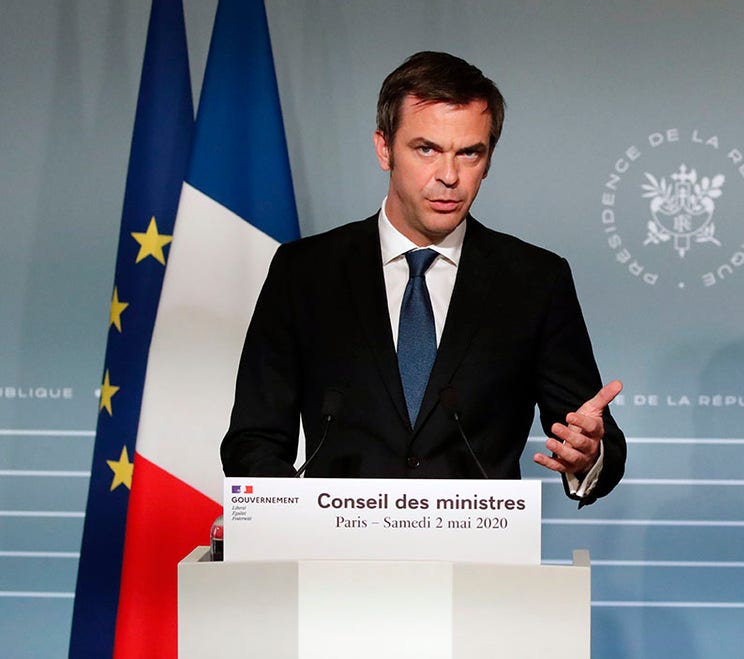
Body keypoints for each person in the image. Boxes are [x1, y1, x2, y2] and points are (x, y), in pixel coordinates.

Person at [221, 51, 625, 506]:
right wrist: (297, 518)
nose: (449, 176)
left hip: (478, 563)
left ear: (488, 160)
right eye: (426, 149)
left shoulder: (535, 280)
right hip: (335, 562)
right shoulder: (304, 271)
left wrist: (590, 454)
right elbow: (252, 441)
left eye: (469, 152)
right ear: (384, 148)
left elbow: (592, 437)